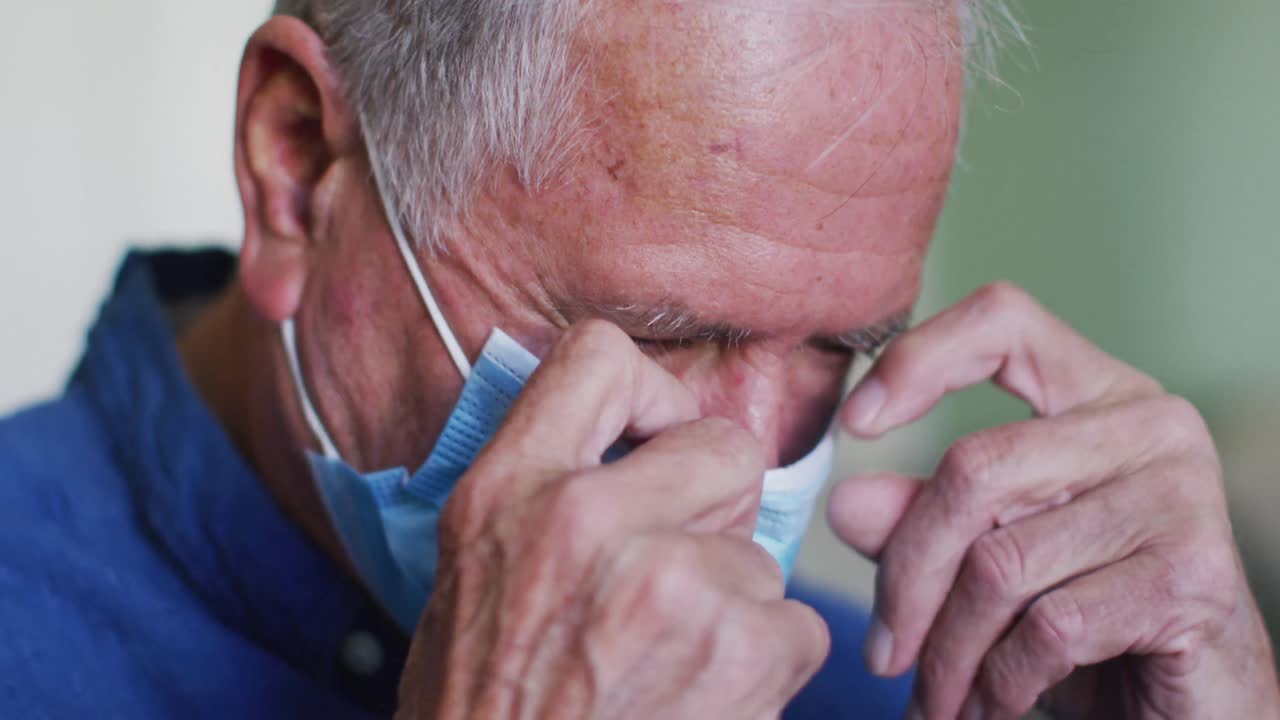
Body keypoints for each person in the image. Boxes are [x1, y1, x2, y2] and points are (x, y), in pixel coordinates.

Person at [1, 0, 1277, 718]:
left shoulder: (889, 690)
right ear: (299, 168)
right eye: (656, 336)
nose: (742, 484)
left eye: (840, 348)